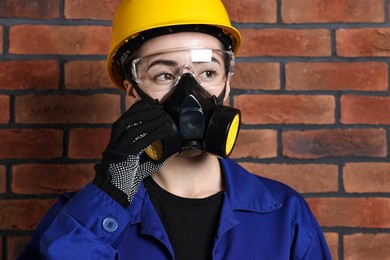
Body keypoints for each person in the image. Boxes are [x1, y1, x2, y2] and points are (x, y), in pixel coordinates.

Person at [18, 0, 332, 259]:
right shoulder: (79, 217)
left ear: (227, 84)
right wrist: (110, 195)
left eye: (208, 72)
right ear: (133, 92)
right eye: (164, 75)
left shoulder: (284, 213)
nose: (189, 91)